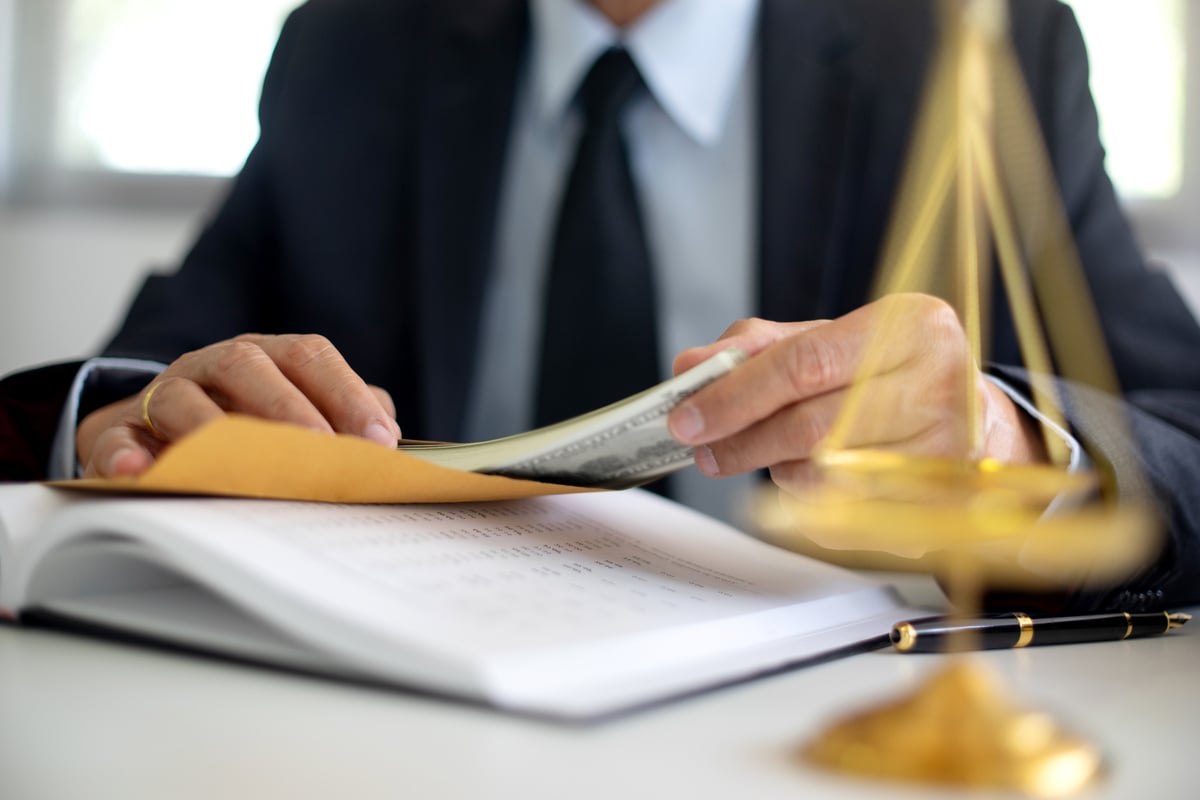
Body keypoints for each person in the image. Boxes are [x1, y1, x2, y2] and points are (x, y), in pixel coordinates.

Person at [2, 0, 1198, 611]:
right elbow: (142, 373)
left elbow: (1184, 429)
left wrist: (1003, 438)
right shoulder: (356, 42)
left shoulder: (973, 44)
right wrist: (138, 413)